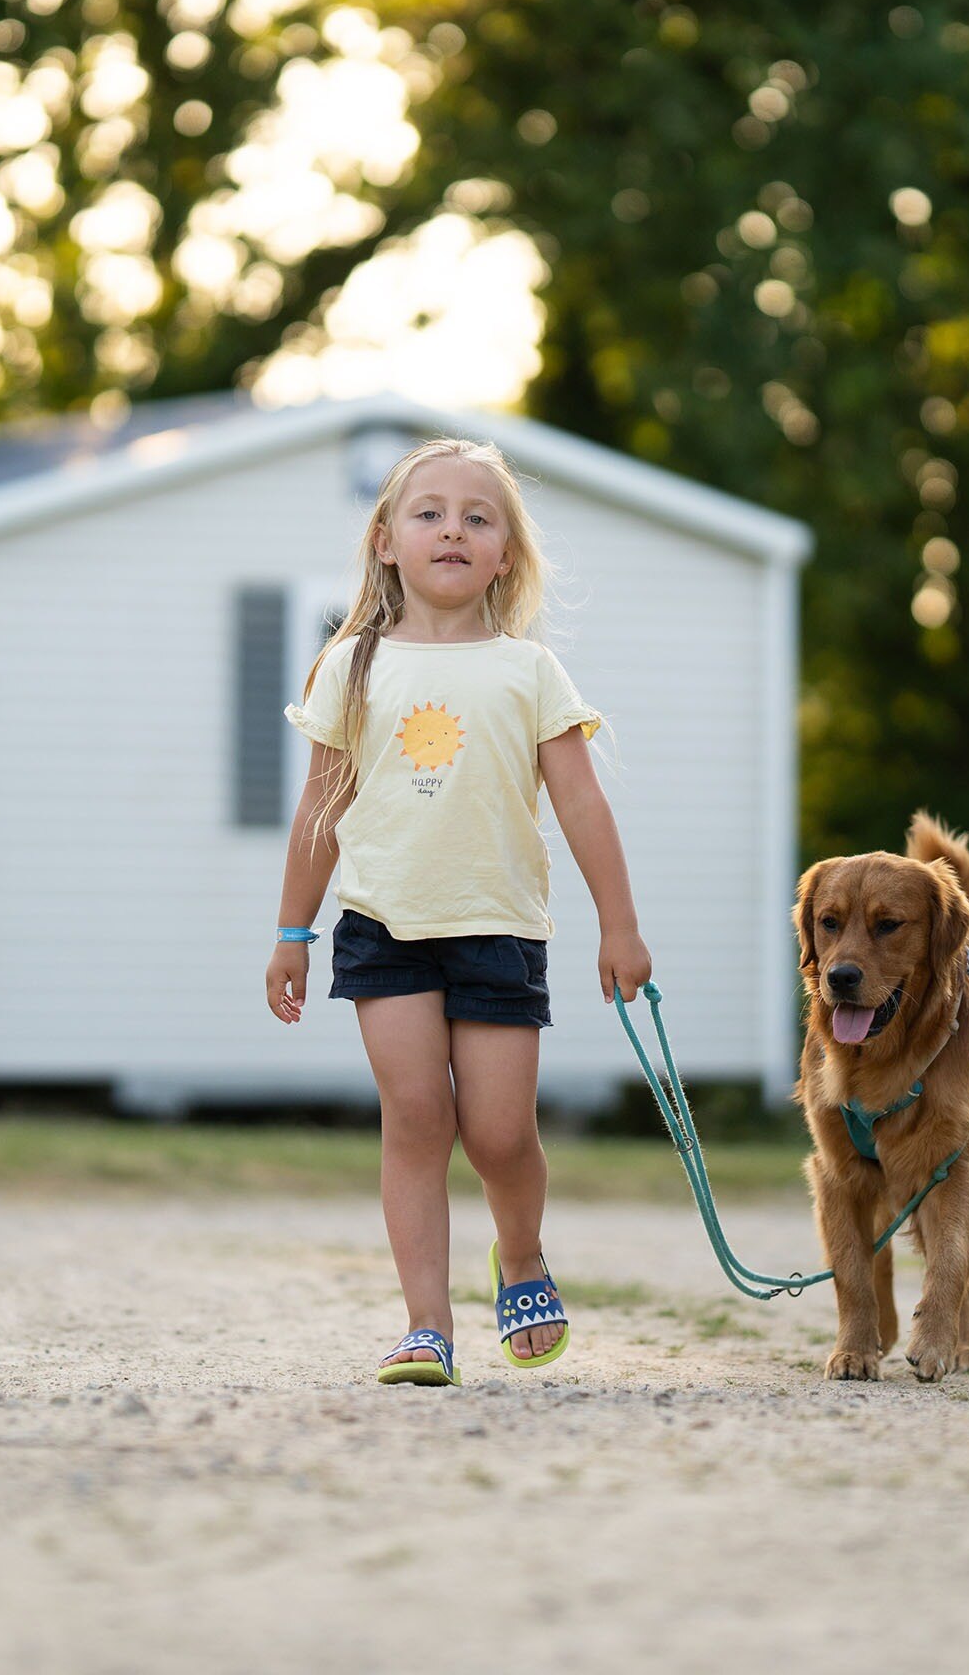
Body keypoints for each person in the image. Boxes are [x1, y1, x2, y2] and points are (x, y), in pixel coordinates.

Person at [264, 437, 652, 1386]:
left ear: (506, 554)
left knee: (501, 1134)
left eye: (479, 517)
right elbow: (320, 812)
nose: (453, 529)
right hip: (382, 928)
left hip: (498, 931)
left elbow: (581, 804)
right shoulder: (350, 667)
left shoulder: (528, 672)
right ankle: (425, 1326)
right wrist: (291, 931)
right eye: (429, 512)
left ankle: (519, 1253)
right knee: (416, 1118)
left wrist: (620, 924)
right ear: (386, 539)